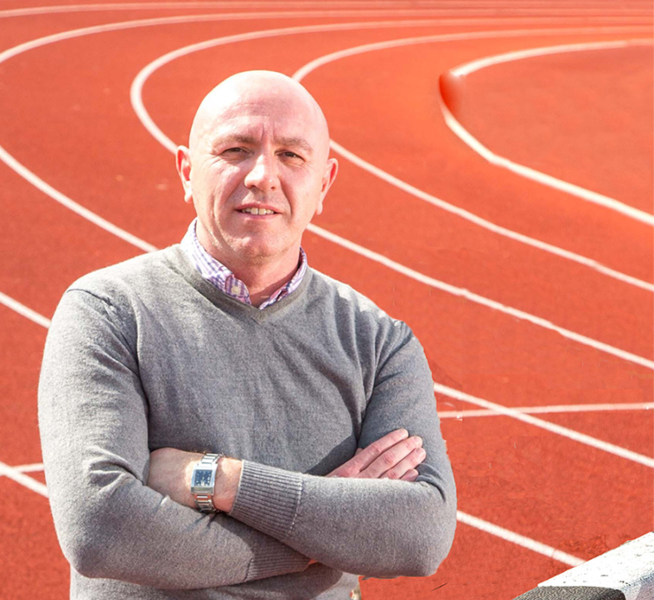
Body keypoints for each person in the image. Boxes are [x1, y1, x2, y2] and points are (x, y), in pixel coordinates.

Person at [38, 70, 456, 600]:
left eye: (291, 155)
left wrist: (220, 481)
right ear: (187, 172)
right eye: (235, 149)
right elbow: (102, 528)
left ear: (323, 183)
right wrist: (321, 541)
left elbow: (420, 534)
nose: (262, 175)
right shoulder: (109, 312)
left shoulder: (379, 342)